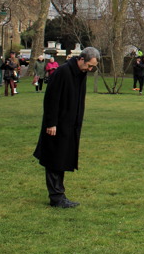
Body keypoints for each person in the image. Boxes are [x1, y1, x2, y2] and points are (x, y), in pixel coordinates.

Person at [33, 47, 100, 208]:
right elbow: (51, 99)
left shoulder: (80, 74)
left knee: (62, 158)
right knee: (54, 158)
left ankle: (59, 194)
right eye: (89, 66)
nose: (90, 69)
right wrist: (51, 123)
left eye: (93, 67)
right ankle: (56, 197)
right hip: (57, 125)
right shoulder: (62, 72)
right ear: (81, 59)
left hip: (70, 124)